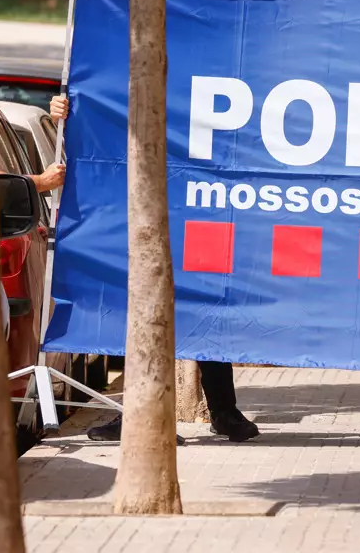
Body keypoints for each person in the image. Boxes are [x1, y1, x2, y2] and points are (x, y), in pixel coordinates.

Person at [50, 95, 261, 444]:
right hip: (141, 210)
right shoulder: (126, 73)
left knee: (203, 307)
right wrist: (70, 108)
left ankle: (224, 410)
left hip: (197, 206)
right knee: (136, 313)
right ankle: (140, 413)